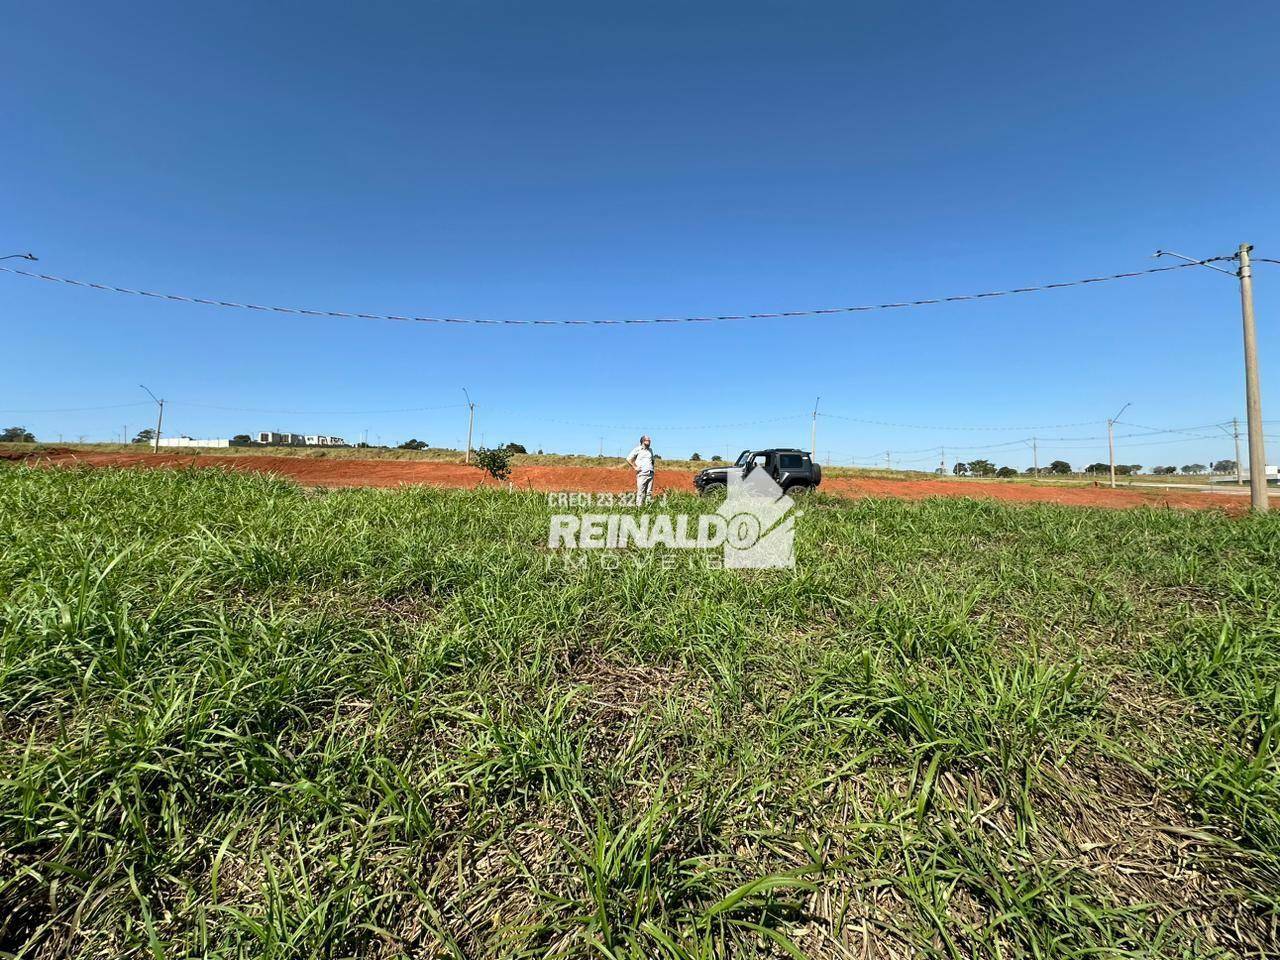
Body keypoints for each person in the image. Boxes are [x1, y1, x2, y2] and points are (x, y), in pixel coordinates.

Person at [626, 435, 656, 506]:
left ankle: (648, 507)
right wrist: (635, 467)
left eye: (649, 440)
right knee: (640, 492)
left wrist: (652, 467)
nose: (649, 441)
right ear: (643, 441)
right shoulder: (638, 449)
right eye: (648, 440)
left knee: (649, 492)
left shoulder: (650, 450)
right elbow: (628, 459)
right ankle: (639, 508)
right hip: (642, 473)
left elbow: (652, 460)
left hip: (650, 473)